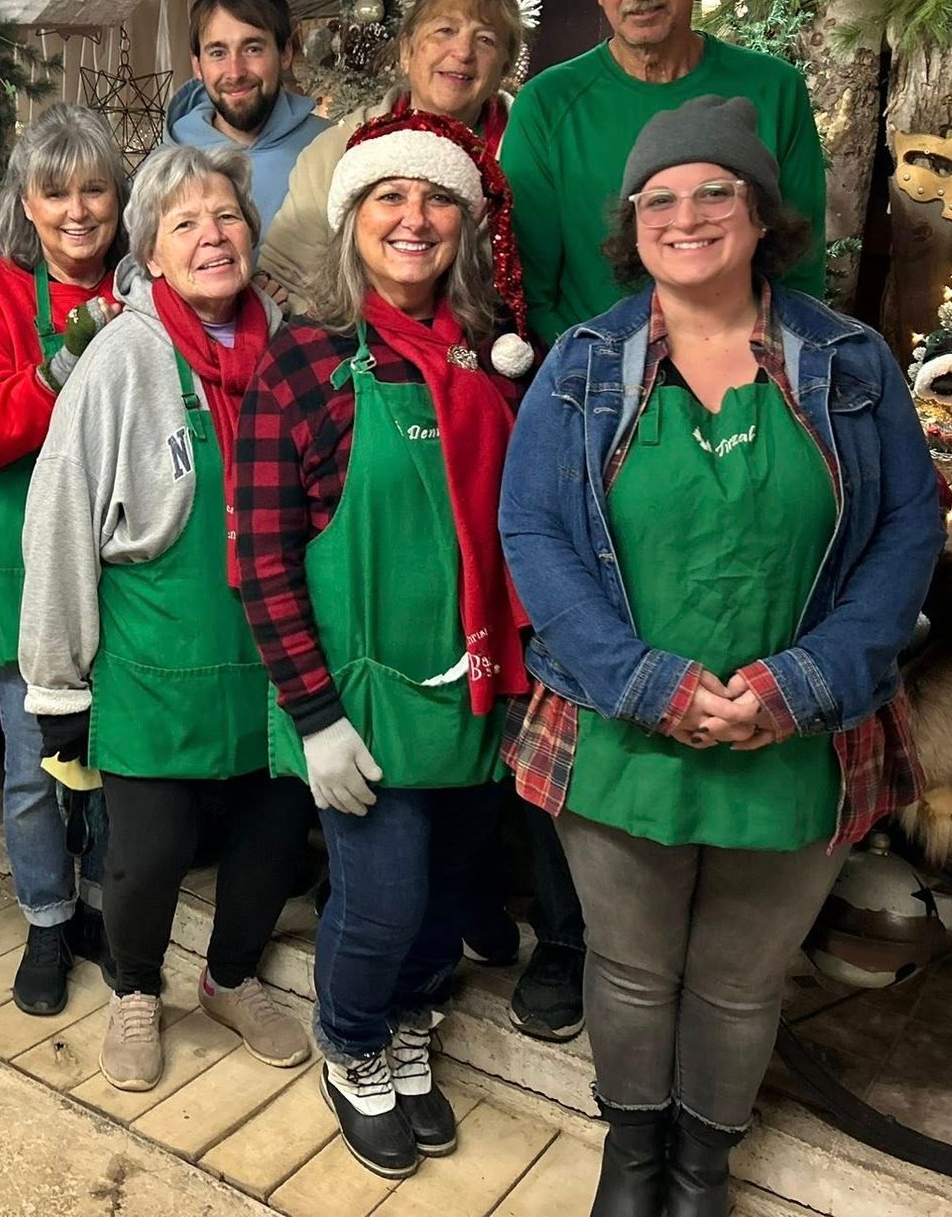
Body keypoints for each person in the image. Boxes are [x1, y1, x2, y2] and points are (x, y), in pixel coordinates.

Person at [497, 96, 943, 1217]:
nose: (686, 215)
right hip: (619, 730)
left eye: (714, 192)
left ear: (759, 216)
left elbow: (908, 531)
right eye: (661, 198)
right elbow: (534, 535)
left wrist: (800, 685)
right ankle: (633, 1152)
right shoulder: (580, 365)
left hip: (799, 740)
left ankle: (703, 1164)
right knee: (633, 971)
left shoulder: (850, 363)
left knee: (743, 984)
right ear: (632, 222)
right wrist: (650, 684)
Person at [495, 0, 832, 1044]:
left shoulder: (769, 89)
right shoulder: (553, 106)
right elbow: (524, 289)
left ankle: (736, 925)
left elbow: (807, 268)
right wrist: (561, 438)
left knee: (747, 637)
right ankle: (571, 937)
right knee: (585, 669)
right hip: (596, 419)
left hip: (750, 394)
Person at [235, 112, 529, 1179]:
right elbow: (260, 558)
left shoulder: (488, 365)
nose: (415, 219)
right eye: (391, 200)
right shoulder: (305, 365)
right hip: (355, 698)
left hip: (476, 682)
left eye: (437, 198)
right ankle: (353, 1041)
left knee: (451, 894)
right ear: (353, 219)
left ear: (464, 223)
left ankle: (410, 1022)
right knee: (384, 897)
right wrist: (312, 717)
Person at [20, 144, 313, 1094]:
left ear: (252, 232)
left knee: (271, 837)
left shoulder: (296, 347)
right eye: (184, 223)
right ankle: (136, 992)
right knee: (146, 852)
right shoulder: (122, 357)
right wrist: (56, 681)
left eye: (226, 215)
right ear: (149, 248)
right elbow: (60, 518)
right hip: (153, 651)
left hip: (278, 649)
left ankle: (229, 979)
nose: (211, 236)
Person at [0, 103, 125, 1016]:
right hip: (25, 572)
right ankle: (47, 917)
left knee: (117, 758)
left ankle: (96, 901)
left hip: (128, 572)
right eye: (57, 193)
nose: (78, 210)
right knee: (33, 766)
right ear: (28, 203)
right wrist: (62, 363)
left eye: (94, 189)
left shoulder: (146, 287)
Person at [501, 0, 828, 349]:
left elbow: (798, 274)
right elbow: (529, 294)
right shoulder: (547, 106)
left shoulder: (774, 89)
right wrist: (603, 378)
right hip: (598, 389)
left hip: (746, 378)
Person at [258, 0, 524, 307]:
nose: (462, 53)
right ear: (407, 51)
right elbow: (284, 285)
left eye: (485, 39)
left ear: (504, 65)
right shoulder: (336, 152)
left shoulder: (530, 153)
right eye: (445, 30)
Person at [161, 0, 331, 237]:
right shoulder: (164, 164)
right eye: (218, 53)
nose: (235, 72)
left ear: (285, 53)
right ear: (197, 65)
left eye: (252, 49)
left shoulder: (331, 148)